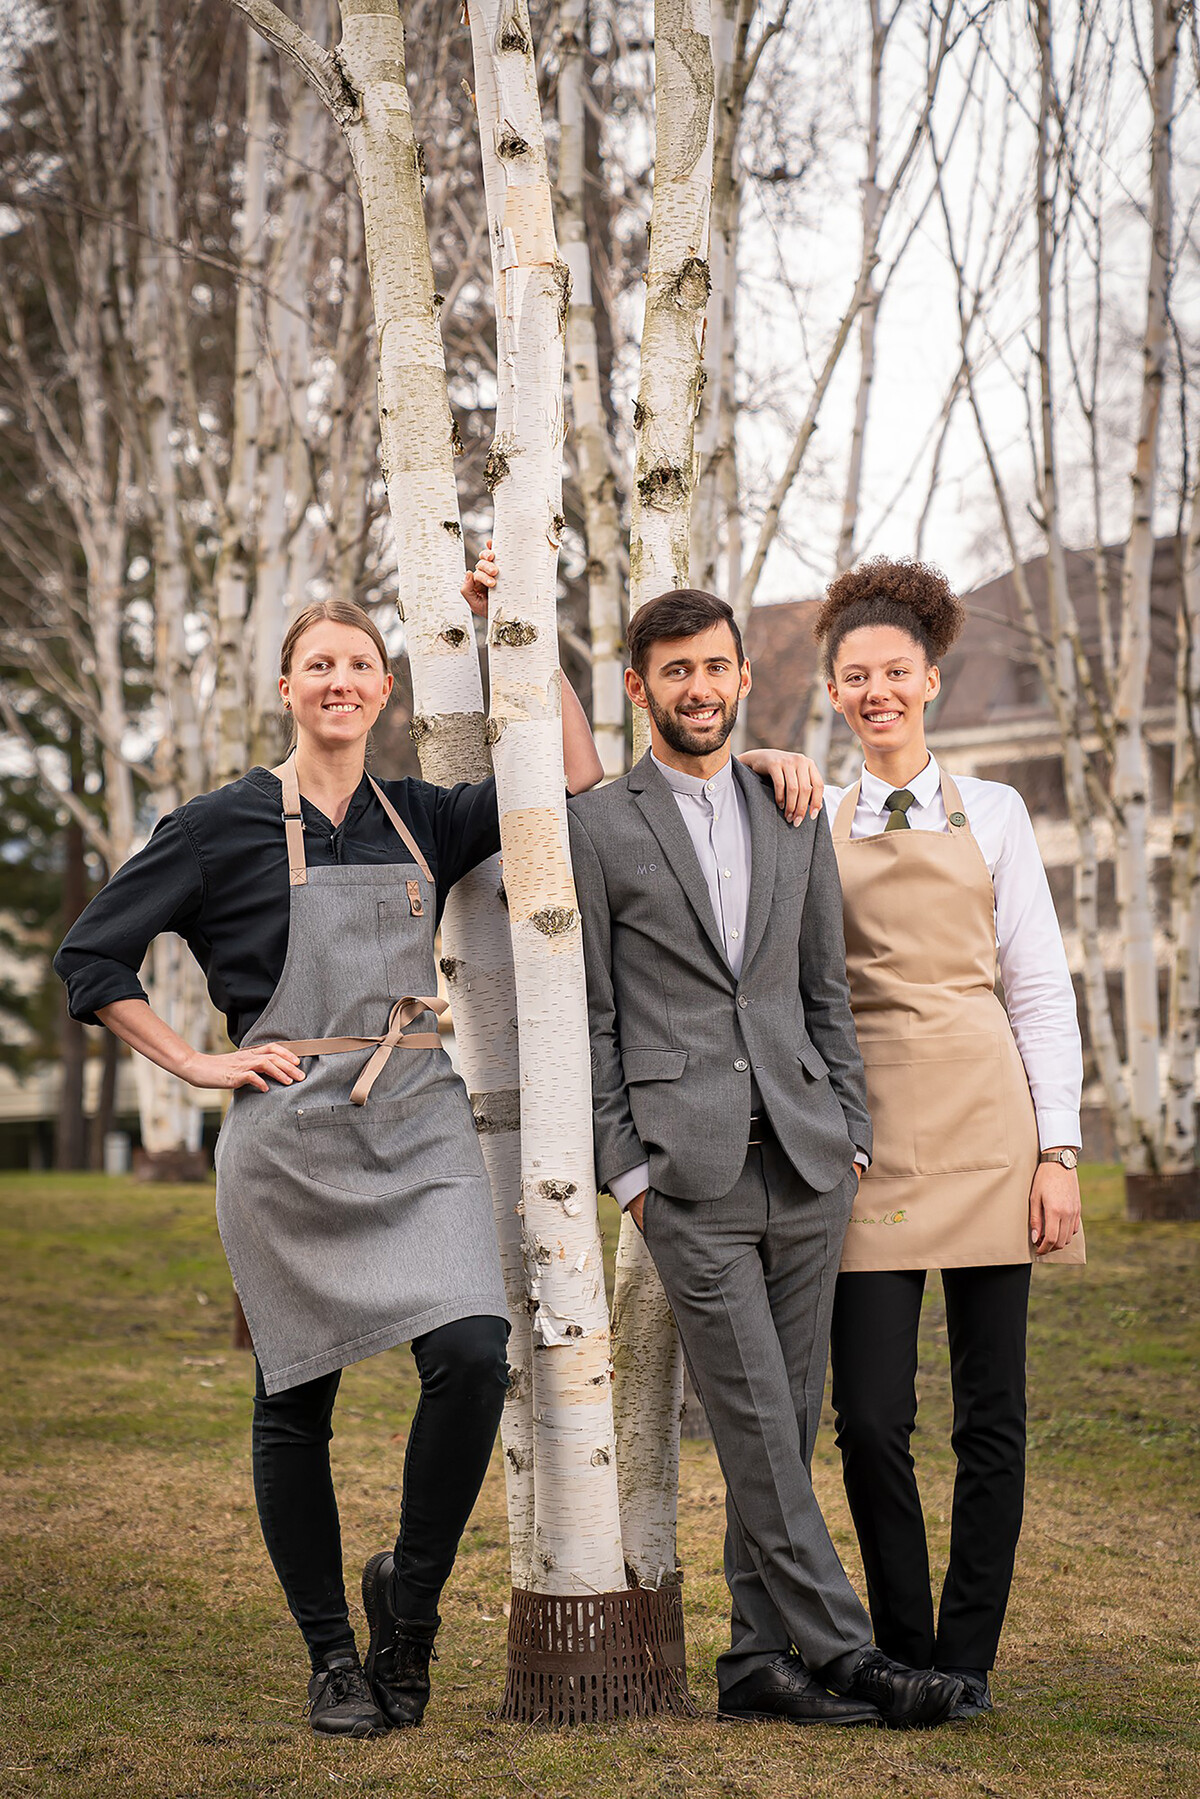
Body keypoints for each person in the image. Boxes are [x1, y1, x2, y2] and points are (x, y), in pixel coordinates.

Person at [54, 554, 606, 1738]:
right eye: (321, 665)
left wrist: (513, 628)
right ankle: (334, 1660)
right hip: (288, 1137)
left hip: (416, 1117)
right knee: (292, 1398)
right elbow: (91, 958)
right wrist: (198, 1063)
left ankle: (408, 1605)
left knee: (471, 1352)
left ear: (386, 687)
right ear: (289, 687)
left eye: (360, 664)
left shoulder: (427, 812)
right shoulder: (215, 826)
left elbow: (570, 777)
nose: (342, 680)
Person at [567, 586, 966, 1729]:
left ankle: (754, 1662)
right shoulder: (600, 824)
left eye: (715, 667)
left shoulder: (793, 806)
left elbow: (820, 987)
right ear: (638, 687)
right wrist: (627, 1170)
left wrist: (850, 1131)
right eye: (674, 671)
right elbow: (590, 1016)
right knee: (755, 1420)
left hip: (805, 1163)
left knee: (783, 1425)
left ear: (745, 678)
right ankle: (853, 1654)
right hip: (686, 1178)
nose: (698, 688)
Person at [814, 556, 1085, 1724]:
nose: (876, 691)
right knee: (871, 1414)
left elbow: (1038, 988)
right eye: (854, 677)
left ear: (930, 678)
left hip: (990, 1127)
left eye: (894, 672)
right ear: (833, 693)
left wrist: (1058, 1152)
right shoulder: (809, 817)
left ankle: (966, 1655)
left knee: (992, 1410)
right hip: (867, 1143)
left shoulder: (1001, 812)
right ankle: (903, 1644)